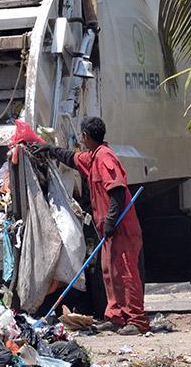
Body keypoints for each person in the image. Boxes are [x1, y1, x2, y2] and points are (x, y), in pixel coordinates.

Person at [35, 116, 150, 335]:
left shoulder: (105, 159)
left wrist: (110, 221)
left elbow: (116, 191)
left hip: (121, 228)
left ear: (86, 136)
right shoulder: (93, 156)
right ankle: (116, 317)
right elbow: (72, 158)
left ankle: (137, 320)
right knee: (110, 272)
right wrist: (49, 149)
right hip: (109, 229)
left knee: (126, 273)